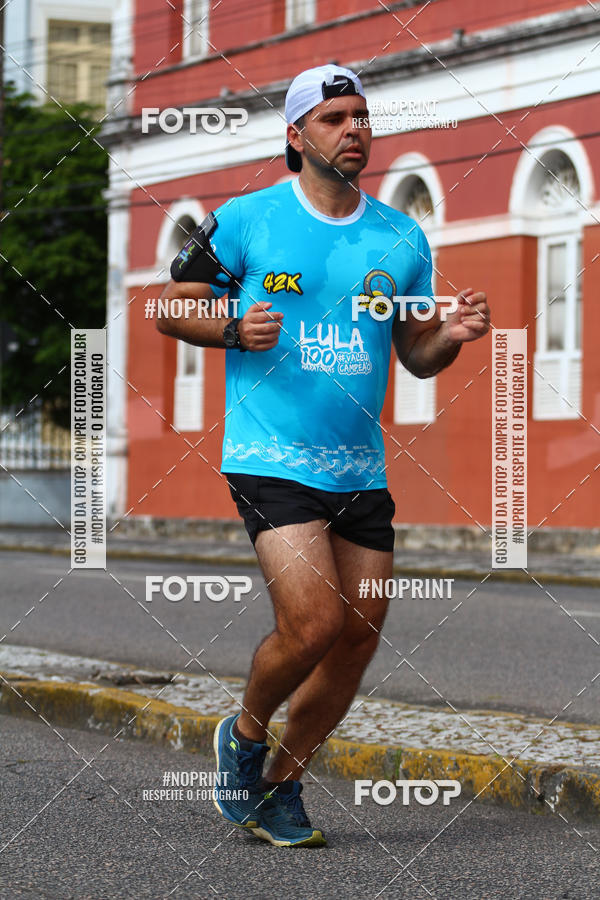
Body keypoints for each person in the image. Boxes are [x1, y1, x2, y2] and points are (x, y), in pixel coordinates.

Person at [157, 64, 490, 847]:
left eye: (363, 117)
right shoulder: (246, 220)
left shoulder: (399, 235)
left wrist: (452, 334)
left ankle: (282, 784)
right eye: (337, 117)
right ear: (297, 134)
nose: (355, 130)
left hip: (358, 466)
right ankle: (243, 735)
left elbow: (414, 352)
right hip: (268, 452)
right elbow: (171, 309)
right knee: (311, 624)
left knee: (358, 633)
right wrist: (234, 329)